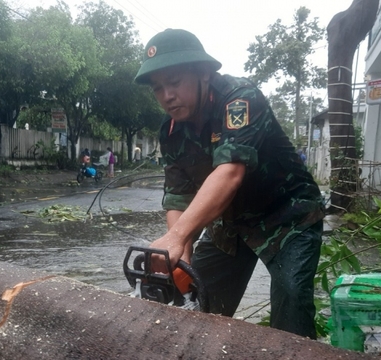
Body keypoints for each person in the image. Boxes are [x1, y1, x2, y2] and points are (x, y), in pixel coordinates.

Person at [134, 29, 324, 338]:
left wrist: (178, 236)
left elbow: (230, 173)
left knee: (291, 302)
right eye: (158, 88)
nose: (167, 95)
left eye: (175, 82)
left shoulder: (239, 100)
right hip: (231, 221)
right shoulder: (170, 132)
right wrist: (180, 246)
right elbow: (178, 196)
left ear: (204, 73)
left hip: (288, 215)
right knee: (198, 298)